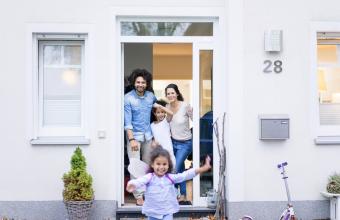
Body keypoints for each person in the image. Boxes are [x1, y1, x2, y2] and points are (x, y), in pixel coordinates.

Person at [126, 147, 211, 220]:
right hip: (152, 213)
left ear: (168, 165)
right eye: (158, 164)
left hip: (167, 212)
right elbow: (140, 181)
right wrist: (132, 184)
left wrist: (203, 168)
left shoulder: (170, 178)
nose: (161, 167)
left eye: (164, 164)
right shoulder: (149, 177)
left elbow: (186, 175)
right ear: (152, 164)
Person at [124, 68, 157, 206]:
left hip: (148, 136)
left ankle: (148, 192)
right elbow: (127, 122)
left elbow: (157, 113)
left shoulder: (151, 96)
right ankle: (138, 196)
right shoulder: (128, 98)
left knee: (148, 166)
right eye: (138, 82)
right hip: (134, 137)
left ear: (147, 83)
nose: (140, 85)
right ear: (134, 82)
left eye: (143, 82)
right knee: (135, 166)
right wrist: (131, 140)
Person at [165, 83, 193, 204]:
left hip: (186, 143)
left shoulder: (185, 106)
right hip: (173, 142)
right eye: (168, 93)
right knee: (180, 169)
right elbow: (166, 123)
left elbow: (195, 120)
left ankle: (172, 194)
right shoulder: (167, 107)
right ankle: (182, 195)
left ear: (177, 93)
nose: (170, 95)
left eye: (172, 93)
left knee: (175, 168)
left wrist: (193, 113)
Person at [151, 100, 176, 168]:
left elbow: (171, 113)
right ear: (154, 113)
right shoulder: (152, 125)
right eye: (158, 112)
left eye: (162, 112)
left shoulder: (166, 121)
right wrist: (153, 142)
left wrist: (160, 106)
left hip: (168, 149)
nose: (161, 114)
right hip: (159, 151)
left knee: (171, 167)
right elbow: (153, 138)